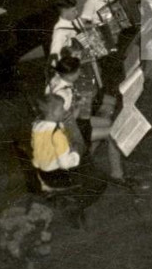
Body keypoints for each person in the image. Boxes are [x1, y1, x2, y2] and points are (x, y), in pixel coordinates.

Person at [45, 56, 130, 187]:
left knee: (108, 123)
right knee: (113, 134)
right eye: (78, 71)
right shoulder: (64, 94)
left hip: (72, 125)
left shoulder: (56, 80)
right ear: (71, 74)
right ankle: (117, 174)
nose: (80, 73)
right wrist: (79, 106)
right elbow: (67, 120)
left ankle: (88, 155)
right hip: (71, 131)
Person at [30, 94, 108, 224]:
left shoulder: (37, 126)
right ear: (54, 113)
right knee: (100, 182)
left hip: (42, 173)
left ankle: (63, 196)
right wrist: (75, 153)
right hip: (59, 175)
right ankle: (75, 206)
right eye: (62, 109)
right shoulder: (57, 135)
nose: (65, 111)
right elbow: (67, 164)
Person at [49, 0, 83, 67]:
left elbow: (82, 28)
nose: (76, 13)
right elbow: (54, 57)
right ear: (64, 11)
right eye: (73, 11)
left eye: (76, 10)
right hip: (74, 65)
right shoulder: (59, 32)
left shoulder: (74, 19)